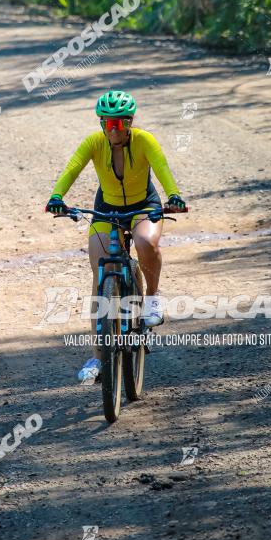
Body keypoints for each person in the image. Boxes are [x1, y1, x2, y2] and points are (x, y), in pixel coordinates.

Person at [45, 90, 187, 382]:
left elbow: (161, 168)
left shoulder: (145, 140)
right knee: (100, 280)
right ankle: (98, 358)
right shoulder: (94, 142)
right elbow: (73, 167)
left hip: (143, 206)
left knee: (146, 242)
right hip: (106, 209)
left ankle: (152, 298)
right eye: (106, 124)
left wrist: (173, 195)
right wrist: (57, 195)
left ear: (129, 123)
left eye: (118, 124)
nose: (112, 131)